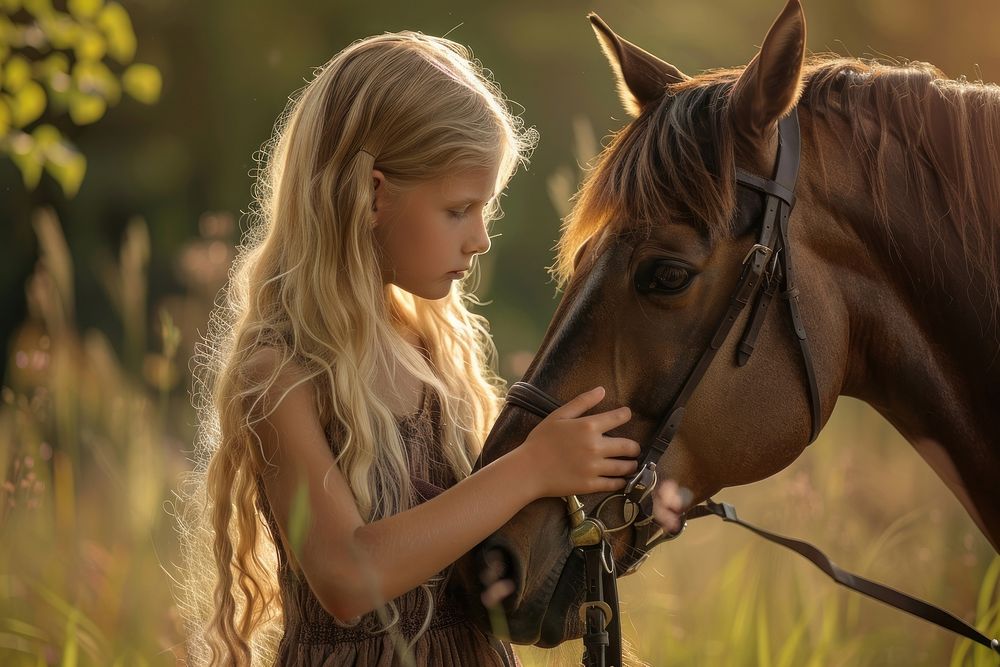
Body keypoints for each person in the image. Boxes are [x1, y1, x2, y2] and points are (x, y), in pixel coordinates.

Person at [173, 30, 647, 667]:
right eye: (459, 209)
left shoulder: (431, 345)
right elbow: (345, 578)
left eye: (487, 209)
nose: (480, 239)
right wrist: (531, 468)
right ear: (371, 195)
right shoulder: (281, 375)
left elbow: (470, 532)